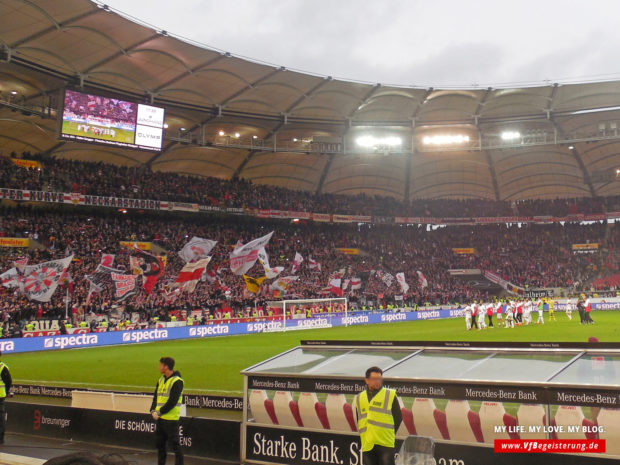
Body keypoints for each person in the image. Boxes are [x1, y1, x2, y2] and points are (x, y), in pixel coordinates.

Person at [355, 367, 402, 465]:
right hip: (368, 443)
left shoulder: (390, 394)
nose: (377, 381)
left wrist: (388, 434)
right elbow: (359, 418)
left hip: (385, 443)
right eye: (374, 379)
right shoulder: (359, 397)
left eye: (379, 379)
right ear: (367, 380)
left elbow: (398, 417)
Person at [150, 357, 184, 465]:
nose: (159, 367)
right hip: (160, 419)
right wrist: (152, 410)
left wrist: (159, 412)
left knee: (175, 446)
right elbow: (156, 396)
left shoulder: (177, 381)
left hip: (171, 419)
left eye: (161, 365)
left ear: (166, 366)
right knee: (160, 445)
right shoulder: (161, 380)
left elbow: (172, 401)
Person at [0, 351, 12, 444]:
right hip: (1, 396)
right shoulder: (3, 367)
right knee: (1, 418)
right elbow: (8, 381)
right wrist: (7, 391)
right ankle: (0, 438)